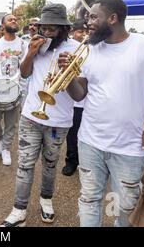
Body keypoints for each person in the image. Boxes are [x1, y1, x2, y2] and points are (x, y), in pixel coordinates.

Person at [59, 0, 144, 227]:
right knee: (89, 200)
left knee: (124, 209)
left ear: (112, 18)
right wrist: (67, 75)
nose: (87, 21)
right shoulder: (89, 49)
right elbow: (80, 94)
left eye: (93, 17)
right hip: (90, 142)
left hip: (130, 146)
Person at [1, 4, 79, 227]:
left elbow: (80, 94)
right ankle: (19, 209)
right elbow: (24, 73)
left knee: (50, 164)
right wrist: (31, 53)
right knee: (25, 164)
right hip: (31, 117)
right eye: (44, 28)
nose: (46, 33)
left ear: (64, 29)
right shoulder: (34, 43)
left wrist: (69, 72)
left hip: (59, 120)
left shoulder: (74, 47)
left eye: (52, 29)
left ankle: (46, 200)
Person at [0, 14, 26, 166]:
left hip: (15, 89)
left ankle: (6, 148)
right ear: (2, 26)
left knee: (10, 123)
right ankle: (0, 140)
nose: (14, 20)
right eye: (10, 19)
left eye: (16, 19)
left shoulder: (23, 44)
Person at [62, 19, 89, 176]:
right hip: (76, 102)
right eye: (80, 32)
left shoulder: (93, 49)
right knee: (73, 134)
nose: (84, 34)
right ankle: (71, 161)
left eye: (86, 32)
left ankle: (87, 162)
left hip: (91, 101)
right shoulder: (70, 49)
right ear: (72, 33)